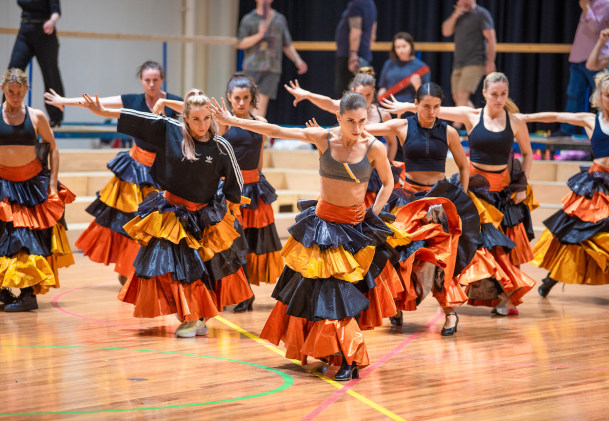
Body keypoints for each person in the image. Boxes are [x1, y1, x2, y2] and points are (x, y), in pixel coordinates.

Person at [208, 92, 394, 380]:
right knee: (319, 293)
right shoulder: (322, 138)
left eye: (361, 121)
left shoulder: (373, 147)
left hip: (354, 230)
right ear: (338, 118)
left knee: (340, 296)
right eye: (350, 122)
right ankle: (336, 353)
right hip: (322, 227)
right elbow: (275, 130)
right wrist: (231, 120)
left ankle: (349, 357)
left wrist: (374, 214)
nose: (357, 129)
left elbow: (388, 182)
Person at [81, 90, 252, 337]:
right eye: (196, 119)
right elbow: (136, 118)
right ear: (185, 118)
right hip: (170, 212)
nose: (202, 125)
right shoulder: (169, 129)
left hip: (203, 217)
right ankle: (192, 316)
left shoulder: (221, 146)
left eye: (206, 118)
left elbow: (235, 185)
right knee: (171, 267)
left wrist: (223, 211)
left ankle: (196, 318)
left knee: (200, 269)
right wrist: (102, 112)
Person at [382, 72, 537, 315]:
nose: (498, 98)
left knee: (499, 246)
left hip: (502, 191)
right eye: (494, 93)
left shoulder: (515, 121)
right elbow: (435, 111)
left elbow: (527, 153)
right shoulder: (470, 114)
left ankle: (501, 294)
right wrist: (406, 107)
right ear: (484, 93)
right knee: (476, 245)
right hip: (475, 189)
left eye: (503, 94)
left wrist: (521, 185)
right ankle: (455, 296)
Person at [152, 72, 283, 313]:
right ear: (229, 99)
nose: (241, 102)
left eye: (246, 97)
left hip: (255, 189)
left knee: (252, 245)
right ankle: (242, 294)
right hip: (229, 190)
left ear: (252, 98)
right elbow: (191, 108)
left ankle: (243, 290)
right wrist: (164, 103)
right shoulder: (221, 122)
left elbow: (261, 154)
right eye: (237, 98)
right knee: (231, 243)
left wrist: (260, 179)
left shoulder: (261, 122)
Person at [44, 61, 182, 287]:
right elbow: (97, 103)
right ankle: (129, 268)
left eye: (155, 80)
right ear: (141, 80)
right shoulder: (133, 100)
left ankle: (142, 268)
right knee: (130, 222)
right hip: (136, 170)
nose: (151, 84)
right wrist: (64, 102)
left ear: (162, 80)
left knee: (157, 223)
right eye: (147, 80)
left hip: (162, 170)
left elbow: (194, 108)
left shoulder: (172, 101)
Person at [365, 82, 479, 335]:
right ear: (415, 104)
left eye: (436, 107)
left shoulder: (448, 132)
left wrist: (463, 194)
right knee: (400, 254)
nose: (431, 112)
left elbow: (463, 166)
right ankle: (397, 306)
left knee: (441, 258)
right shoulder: (402, 126)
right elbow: (366, 128)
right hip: (408, 199)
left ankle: (450, 312)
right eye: (426, 106)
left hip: (438, 202)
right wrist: (338, 127)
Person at [519, 72, 609, 304]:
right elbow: (557, 115)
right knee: (578, 236)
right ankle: (552, 278)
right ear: (600, 96)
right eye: (608, 95)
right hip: (599, 189)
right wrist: (525, 117)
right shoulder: (591, 120)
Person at [0, 68, 74, 311]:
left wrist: (52, 184)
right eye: (10, 92)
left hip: (30, 186)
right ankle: (4, 291)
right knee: (4, 240)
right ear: (3, 90)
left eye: (19, 93)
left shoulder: (36, 116)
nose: (15, 97)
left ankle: (28, 295)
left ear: (26, 91)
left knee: (24, 242)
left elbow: (53, 148)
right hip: (3, 186)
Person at [284, 67, 402, 205]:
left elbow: (392, 143)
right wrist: (307, 95)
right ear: (353, 92)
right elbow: (328, 103)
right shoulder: (346, 108)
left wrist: (386, 164)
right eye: (360, 94)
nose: (364, 99)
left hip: (372, 172)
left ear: (374, 93)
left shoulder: (383, 114)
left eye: (368, 95)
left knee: (369, 212)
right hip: (349, 167)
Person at [551, 0, 609, 137]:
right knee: (573, 95)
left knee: (602, 97)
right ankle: (567, 130)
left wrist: (586, 7)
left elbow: (595, 28)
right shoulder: (589, 3)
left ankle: (604, 131)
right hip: (579, 56)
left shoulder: (607, 3)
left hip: (596, 58)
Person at [237, 0, 308, 117]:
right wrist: (259, 35)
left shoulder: (279, 19)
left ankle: (257, 133)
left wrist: (298, 60)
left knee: (261, 103)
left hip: (272, 68)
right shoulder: (248, 19)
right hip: (252, 67)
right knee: (247, 102)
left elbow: (286, 44)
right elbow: (241, 43)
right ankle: (246, 132)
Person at [8, 0, 65, 126]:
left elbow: (56, 11)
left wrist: (52, 21)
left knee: (50, 74)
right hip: (25, 31)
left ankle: (56, 117)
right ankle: (7, 113)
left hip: (45, 32)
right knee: (13, 72)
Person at [441, 0, 496, 125]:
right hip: (458, 62)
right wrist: (455, 14)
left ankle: (455, 129)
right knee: (457, 97)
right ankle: (483, 124)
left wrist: (490, 62)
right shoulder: (458, 15)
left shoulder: (481, 14)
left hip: (475, 61)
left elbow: (491, 38)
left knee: (462, 95)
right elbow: (446, 31)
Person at [334, 0, 378, 98]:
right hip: (362, 54)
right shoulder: (370, 3)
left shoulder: (356, 4)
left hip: (351, 57)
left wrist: (353, 54)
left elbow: (356, 30)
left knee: (346, 96)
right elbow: (373, 35)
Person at [377, 32, 430, 104]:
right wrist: (379, 98)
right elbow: (383, 87)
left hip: (409, 106)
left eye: (404, 46)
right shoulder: (389, 63)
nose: (401, 50)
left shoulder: (421, 67)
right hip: (389, 104)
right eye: (397, 47)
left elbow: (426, 96)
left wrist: (417, 86)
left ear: (411, 46)